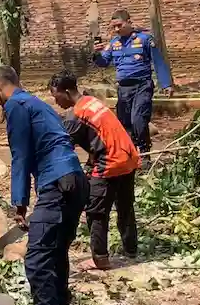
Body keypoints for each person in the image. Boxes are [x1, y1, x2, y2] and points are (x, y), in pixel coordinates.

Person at [0, 65, 87, 305]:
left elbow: (20, 155)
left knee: (37, 259)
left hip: (57, 183)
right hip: (76, 180)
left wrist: (18, 202)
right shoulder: (38, 103)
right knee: (56, 253)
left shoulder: (16, 106)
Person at [50, 72, 141, 270]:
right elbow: (100, 135)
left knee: (96, 211)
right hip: (129, 157)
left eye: (56, 96)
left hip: (110, 162)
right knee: (125, 206)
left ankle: (100, 258)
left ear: (66, 92)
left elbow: (64, 146)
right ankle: (131, 249)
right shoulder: (92, 102)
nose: (56, 102)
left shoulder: (77, 114)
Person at [92, 9, 172, 154]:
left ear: (129, 22)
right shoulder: (114, 43)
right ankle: (131, 155)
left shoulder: (144, 39)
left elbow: (158, 61)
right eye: (114, 27)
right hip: (123, 89)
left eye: (119, 25)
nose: (116, 29)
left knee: (139, 119)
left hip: (142, 86)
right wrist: (96, 54)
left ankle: (145, 152)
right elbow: (103, 62)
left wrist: (166, 84)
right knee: (124, 124)